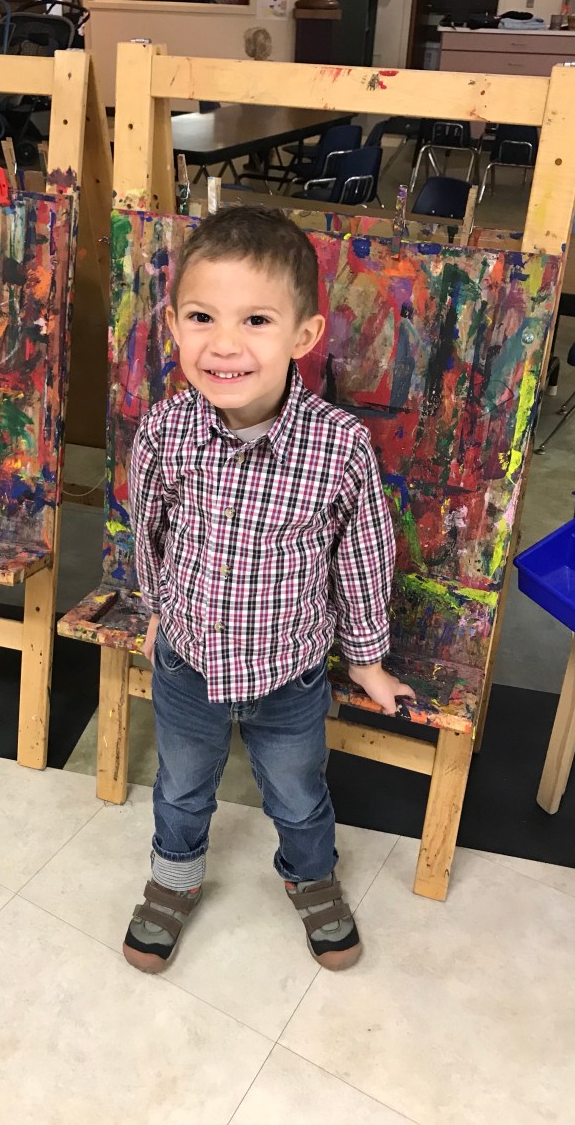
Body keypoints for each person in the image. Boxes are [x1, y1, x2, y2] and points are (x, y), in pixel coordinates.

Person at [124, 206, 413, 975]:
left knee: (297, 791)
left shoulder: (339, 447)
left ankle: (312, 879)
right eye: (201, 317)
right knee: (182, 787)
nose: (224, 343)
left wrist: (367, 660)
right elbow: (147, 529)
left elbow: (361, 558)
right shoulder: (163, 434)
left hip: (290, 673)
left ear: (304, 335)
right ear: (173, 325)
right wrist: (156, 612)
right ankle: (173, 881)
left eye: (255, 320)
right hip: (187, 663)